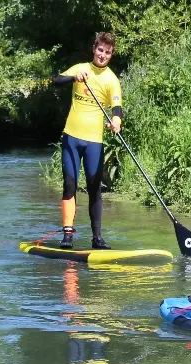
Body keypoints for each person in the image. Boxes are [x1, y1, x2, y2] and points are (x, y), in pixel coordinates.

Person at [51, 32, 124, 250]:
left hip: (94, 142)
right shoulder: (80, 68)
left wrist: (117, 121)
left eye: (107, 52)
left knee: (94, 188)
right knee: (70, 185)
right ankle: (67, 235)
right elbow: (56, 81)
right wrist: (74, 77)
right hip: (72, 138)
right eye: (100, 50)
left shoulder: (111, 79)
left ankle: (97, 238)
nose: (103, 55)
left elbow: (117, 107)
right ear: (94, 49)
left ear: (111, 55)